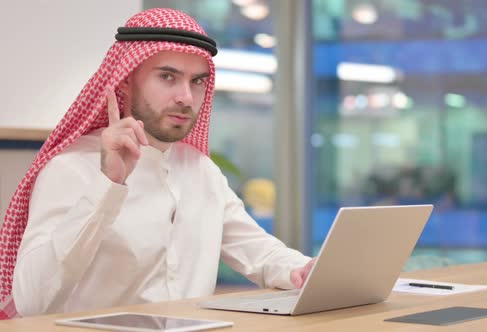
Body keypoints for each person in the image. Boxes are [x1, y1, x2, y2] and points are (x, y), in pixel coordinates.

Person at [0, 8, 315, 318]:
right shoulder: (71, 168)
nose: (186, 97)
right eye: (168, 77)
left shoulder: (202, 171)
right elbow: (32, 302)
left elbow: (259, 252)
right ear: (125, 82)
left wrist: (304, 270)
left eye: (197, 82)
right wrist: (107, 185)